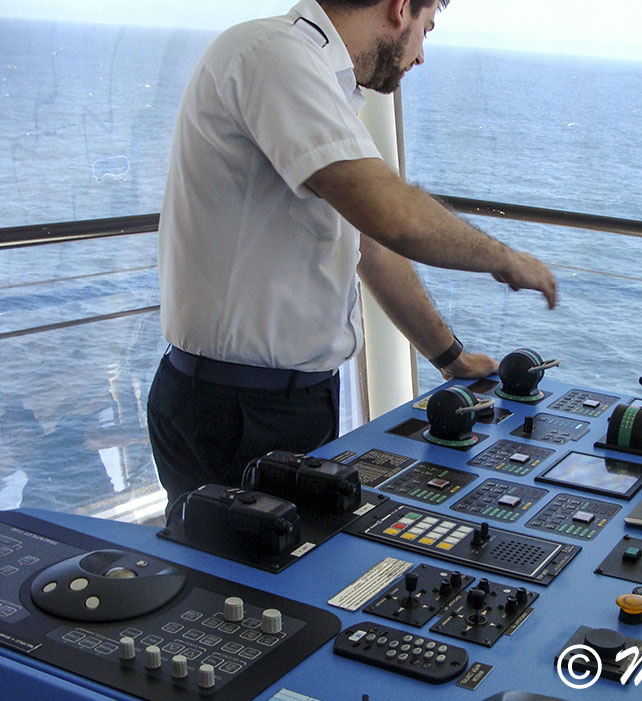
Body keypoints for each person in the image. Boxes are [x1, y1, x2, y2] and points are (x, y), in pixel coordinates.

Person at [147, 0, 558, 508]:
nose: (421, 54)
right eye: (426, 29)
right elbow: (394, 217)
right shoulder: (274, 55)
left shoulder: (319, 78)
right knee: (238, 559)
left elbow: (373, 247)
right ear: (400, 8)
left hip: (288, 401)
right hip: (233, 413)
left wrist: (451, 358)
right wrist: (504, 258)